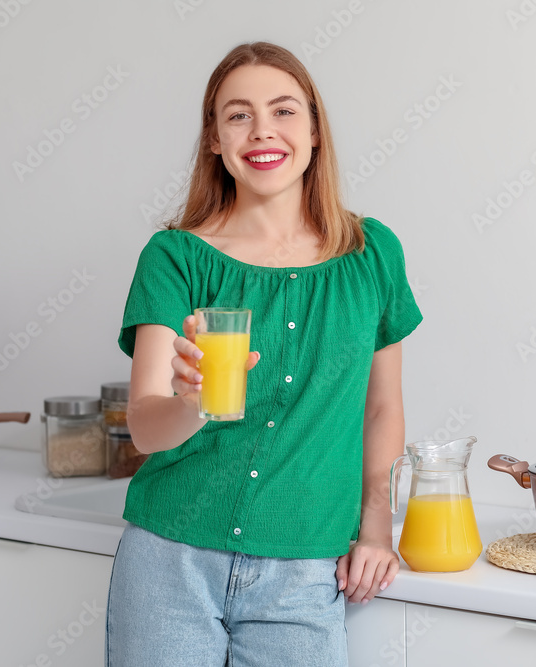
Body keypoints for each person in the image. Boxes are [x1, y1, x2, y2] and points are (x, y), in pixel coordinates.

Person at [105, 41, 423, 667]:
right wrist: (193, 402)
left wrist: (376, 531)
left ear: (313, 131)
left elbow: (382, 409)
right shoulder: (174, 258)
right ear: (215, 141)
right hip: (170, 562)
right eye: (238, 115)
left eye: (283, 111)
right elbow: (145, 424)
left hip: (306, 568)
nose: (262, 132)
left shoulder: (373, 253)